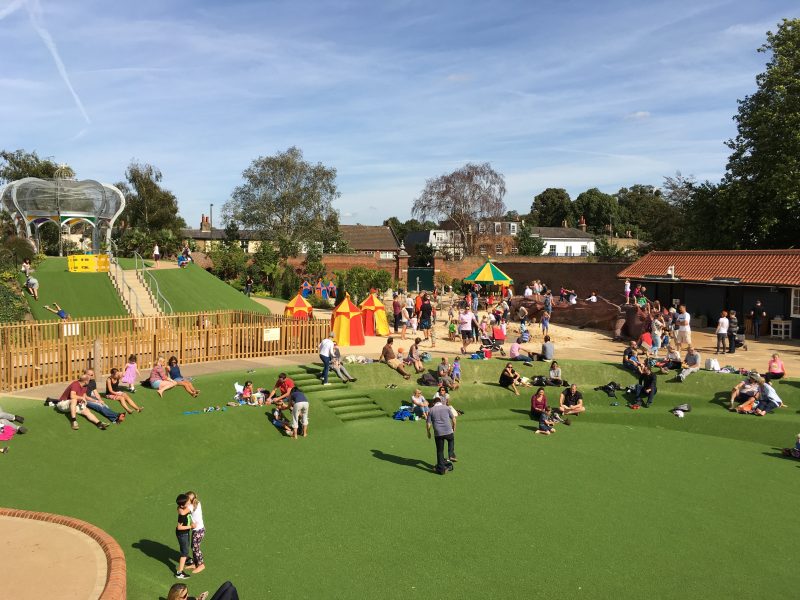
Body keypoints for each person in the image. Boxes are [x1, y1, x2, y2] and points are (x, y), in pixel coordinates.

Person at [426, 394, 456, 475]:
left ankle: (441, 469)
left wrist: (428, 432)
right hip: (448, 431)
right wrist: (454, 427)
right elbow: (453, 418)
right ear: (440, 402)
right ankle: (451, 454)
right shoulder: (446, 407)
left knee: (440, 451)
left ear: (433, 403)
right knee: (451, 440)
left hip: (438, 433)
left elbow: (428, 424)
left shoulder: (431, 410)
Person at [185, 491, 206, 575]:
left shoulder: (191, 506)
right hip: (199, 530)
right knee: (193, 547)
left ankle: (201, 565)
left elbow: (183, 512)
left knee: (196, 548)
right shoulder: (197, 502)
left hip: (198, 530)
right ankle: (195, 563)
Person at [175, 493, 194, 579]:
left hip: (185, 533)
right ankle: (179, 572)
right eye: (187, 502)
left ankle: (187, 558)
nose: (189, 502)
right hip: (182, 534)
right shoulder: (182, 515)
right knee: (184, 552)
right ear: (182, 505)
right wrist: (191, 526)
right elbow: (179, 527)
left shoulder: (183, 508)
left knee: (185, 548)